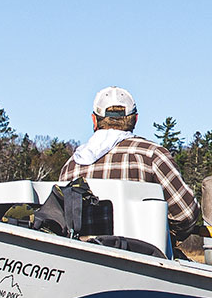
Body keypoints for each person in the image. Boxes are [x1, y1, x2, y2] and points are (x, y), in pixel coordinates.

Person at [60, 86, 202, 242]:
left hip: (83, 258)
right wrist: (167, 236)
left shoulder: (71, 166)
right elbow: (186, 214)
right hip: (143, 257)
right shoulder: (152, 155)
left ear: (94, 120)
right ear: (135, 119)